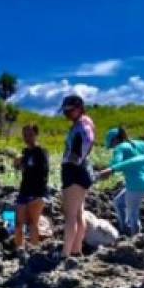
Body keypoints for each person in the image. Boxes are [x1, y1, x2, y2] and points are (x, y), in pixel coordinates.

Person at [97, 127, 144, 236]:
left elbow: (116, 162)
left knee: (133, 214)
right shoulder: (141, 143)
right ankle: (124, 229)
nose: (113, 148)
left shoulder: (119, 147)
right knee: (119, 202)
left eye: (112, 145)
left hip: (135, 185)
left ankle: (135, 238)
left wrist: (107, 170)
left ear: (115, 140)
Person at [57, 95, 96, 259]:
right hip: (80, 171)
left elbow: (82, 148)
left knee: (70, 215)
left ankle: (65, 253)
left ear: (79, 108)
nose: (67, 114)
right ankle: (75, 250)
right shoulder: (84, 123)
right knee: (78, 214)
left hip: (74, 171)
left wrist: (72, 161)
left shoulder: (82, 125)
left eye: (70, 110)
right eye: (65, 111)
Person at [13, 124, 49, 249]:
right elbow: (21, 170)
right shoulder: (25, 152)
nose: (27, 138)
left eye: (30, 135)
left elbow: (43, 173)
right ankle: (19, 250)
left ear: (36, 135)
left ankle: (34, 250)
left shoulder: (41, 152)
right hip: (24, 191)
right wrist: (17, 163)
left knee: (33, 223)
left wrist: (40, 195)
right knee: (18, 223)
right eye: (25, 135)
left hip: (37, 192)